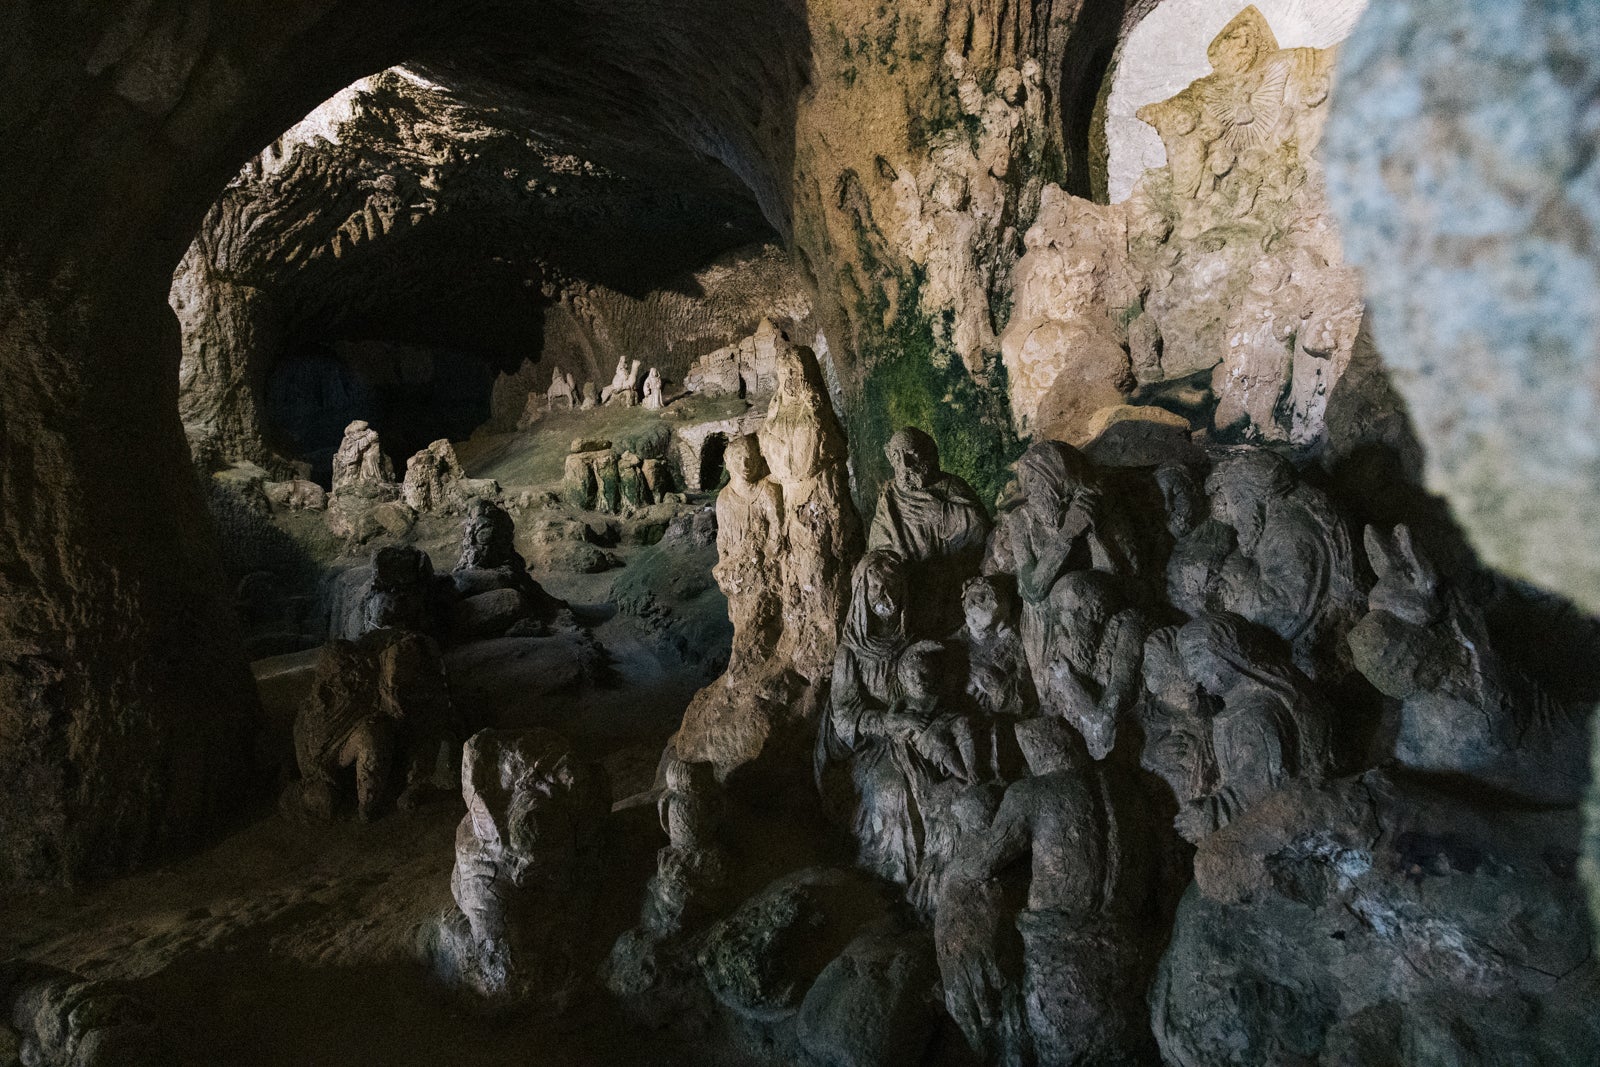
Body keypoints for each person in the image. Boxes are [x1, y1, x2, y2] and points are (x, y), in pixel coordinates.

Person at [1172, 613, 1332, 842]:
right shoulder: (1255, 698)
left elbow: (1262, 789)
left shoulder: (1254, 714)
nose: (1193, 674)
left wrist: (1213, 813)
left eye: (1196, 658)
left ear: (1224, 652)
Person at [867, 427, 991, 636]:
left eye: (911, 455)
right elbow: (879, 546)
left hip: (950, 583)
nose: (905, 465)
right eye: (898, 457)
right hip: (910, 587)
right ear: (891, 458)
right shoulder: (889, 499)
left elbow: (980, 528)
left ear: (928, 454)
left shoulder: (950, 487)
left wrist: (942, 515)